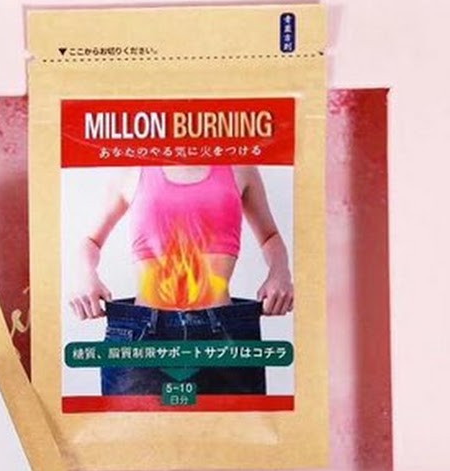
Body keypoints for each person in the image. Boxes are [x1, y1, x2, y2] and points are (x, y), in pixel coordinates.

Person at [68, 165, 292, 397]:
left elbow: (270, 236)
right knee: (132, 422)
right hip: (143, 338)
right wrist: (85, 276)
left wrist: (280, 273)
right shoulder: (130, 172)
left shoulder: (240, 168)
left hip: (224, 336)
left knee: (237, 422)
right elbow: (91, 240)